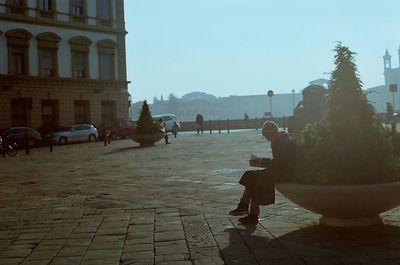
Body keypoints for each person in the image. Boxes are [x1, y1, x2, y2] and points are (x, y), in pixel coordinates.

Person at [229, 121, 295, 224]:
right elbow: (281, 161)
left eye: (265, 135)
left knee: (256, 180)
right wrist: (262, 161)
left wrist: (262, 161)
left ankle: (250, 212)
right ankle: (244, 206)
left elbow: (280, 163)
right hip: (283, 171)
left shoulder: (280, 142)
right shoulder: (282, 138)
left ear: (269, 134)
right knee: (251, 176)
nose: (266, 138)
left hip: (284, 173)